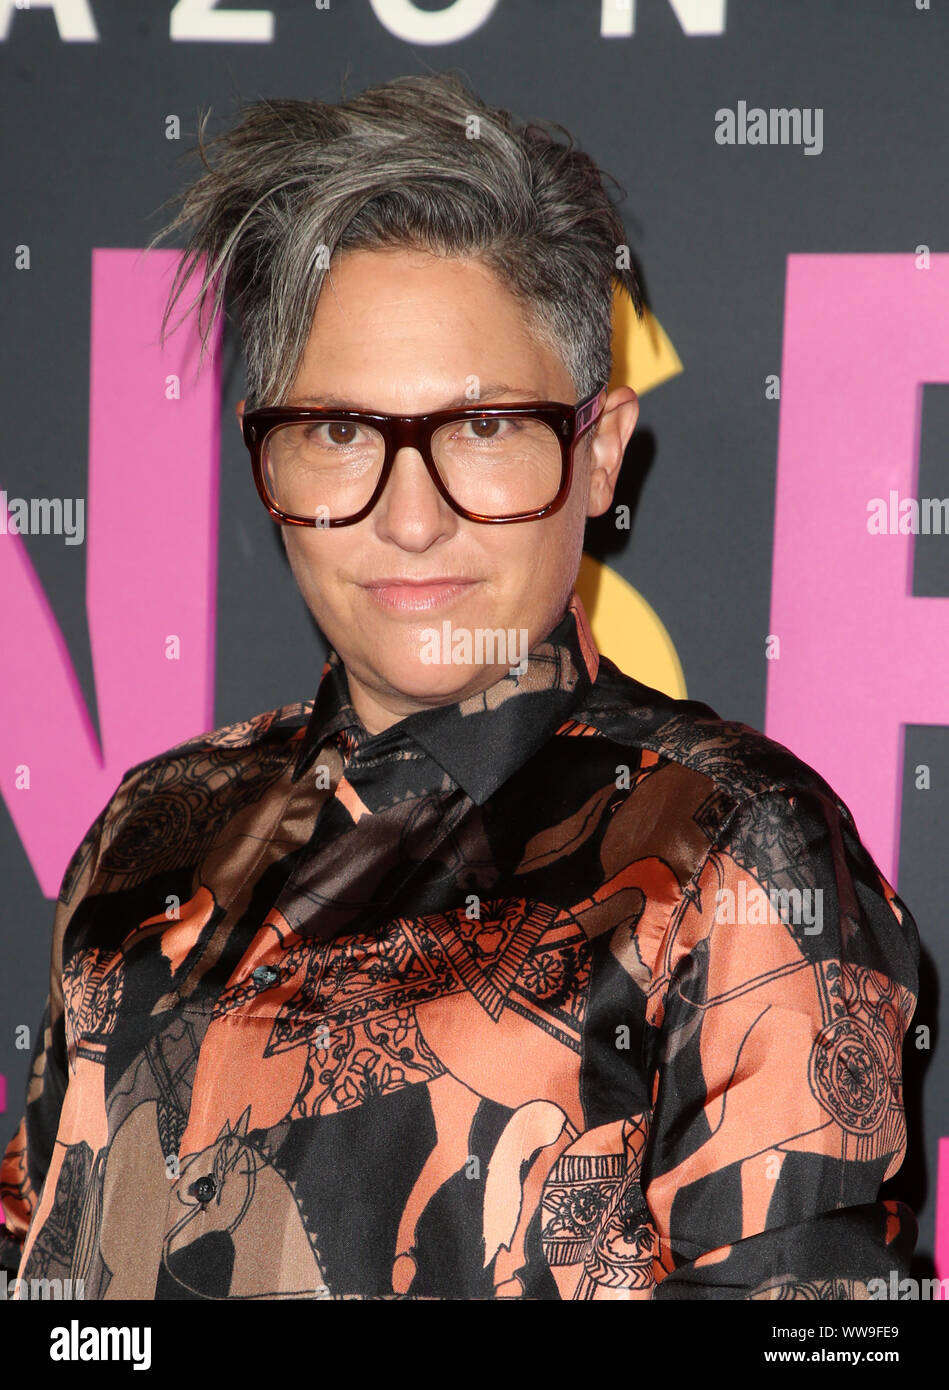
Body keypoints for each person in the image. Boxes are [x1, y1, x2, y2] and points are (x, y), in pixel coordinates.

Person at [0, 71, 919, 1301]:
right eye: (339, 432)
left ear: (598, 453)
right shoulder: (149, 830)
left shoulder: (734, 850)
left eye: (483, 429)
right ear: (267, 456)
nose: (411, 516)